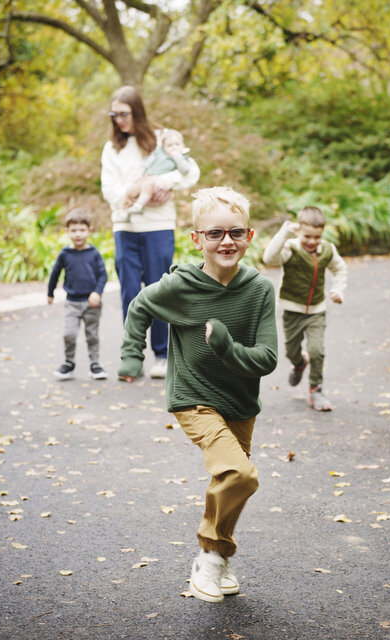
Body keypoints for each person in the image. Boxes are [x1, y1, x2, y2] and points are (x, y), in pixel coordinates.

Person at [118, 186, 278, 603]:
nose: (226, 241)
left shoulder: (259, 290)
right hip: (193, 397)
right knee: (240, 474)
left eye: (236, 232)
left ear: (250, 236)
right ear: (196, 239)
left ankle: (217, 558)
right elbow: (139, 306)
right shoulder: (181, 286)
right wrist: (131, 355)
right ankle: (210, 556)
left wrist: (227, 347)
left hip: (241, 402)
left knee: (231, 482)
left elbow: (267, 358)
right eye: (215, 233)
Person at [101, 86, 200, 379]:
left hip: (158, 226)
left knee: (159, 290)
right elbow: (109, 188)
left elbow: (190, 172)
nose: (119, 120)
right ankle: (132, 356)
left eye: (124, 114)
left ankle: (162, 355)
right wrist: (130, 194)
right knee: (131, 293)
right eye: (114, 115)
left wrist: (160, 183)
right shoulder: (112, 148)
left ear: (137, 111)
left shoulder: (161, 139)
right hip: (125, 227)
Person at [262, 205, 347, 411]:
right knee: (292, 351)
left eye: (316, 237)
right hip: (292, 310)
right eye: (307, 236)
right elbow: (269, 258)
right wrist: (284, 232)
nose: (312, 241)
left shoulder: (327, 249)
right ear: (298, 230)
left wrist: (338, 290)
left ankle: (316, 390)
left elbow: (340, 268)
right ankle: (299, 363)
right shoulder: (290, 249)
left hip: (317, 310)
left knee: (317, 350)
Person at [47, 208, 108, 381]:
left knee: (92, 335)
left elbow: (103, 275)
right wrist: (50, 293)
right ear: (67, 232)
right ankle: (68, 363)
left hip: (92, 303)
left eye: (82, 230)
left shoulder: (94, 254)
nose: (78, 234)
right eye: (73, 230)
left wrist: (97, 292)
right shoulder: (65, 254)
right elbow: (55, 273)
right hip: (72, 302)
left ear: (89, 231)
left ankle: (95, 365)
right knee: (69, 333)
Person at [119, 129, 192, 220]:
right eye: (169, 145)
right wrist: (139, 174)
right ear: (163, 147)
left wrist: (177, 156)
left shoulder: (182, 157)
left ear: (183, 145)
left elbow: (185, 170)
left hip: (156, 181)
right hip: (146, 177)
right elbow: (145, 164)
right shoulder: (158, 154)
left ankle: (138, 206)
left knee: (148, 185)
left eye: (177, 144)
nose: (174, 147)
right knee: (130, 191)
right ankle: (125, 212)